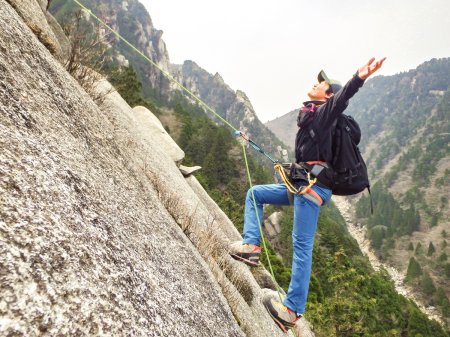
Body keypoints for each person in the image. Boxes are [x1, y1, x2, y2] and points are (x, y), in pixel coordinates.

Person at [230, 57, 386, 332]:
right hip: (302, 186)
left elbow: (342, 99)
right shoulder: (312, 115)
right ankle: (252, 246)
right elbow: (310, 156)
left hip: (311, 191)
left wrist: (358, 78)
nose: (315, 83)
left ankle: (291, 310)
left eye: (321, 83)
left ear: (328, 95)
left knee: (302, 248)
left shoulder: (327, 112)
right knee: (255, 194)